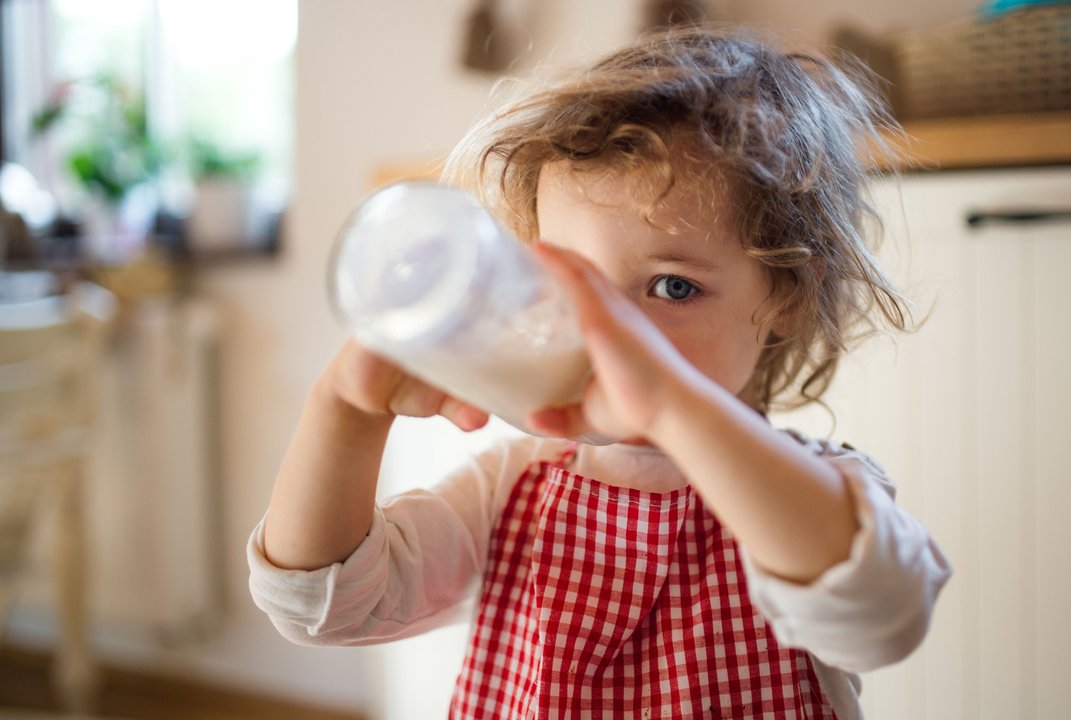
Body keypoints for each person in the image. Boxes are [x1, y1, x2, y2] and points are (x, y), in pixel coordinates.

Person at [248, 24, 951, 719]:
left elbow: (882, 619)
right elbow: (323, 608)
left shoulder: (818, 499)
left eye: (672, 287)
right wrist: (344, 414)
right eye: (570, 281)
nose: (604, 332)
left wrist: (671, 408)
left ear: (786, 297)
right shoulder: (511, 492)